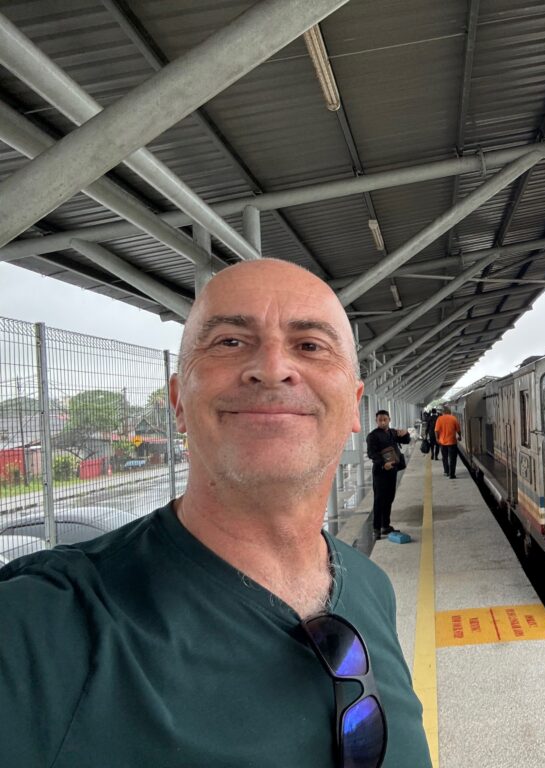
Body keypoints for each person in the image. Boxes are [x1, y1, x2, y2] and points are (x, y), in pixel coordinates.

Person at [0, 259, 430, 768]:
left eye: (310, 345)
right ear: (179, 401)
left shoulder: (371, 588)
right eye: (230, 342)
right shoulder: (40, 628)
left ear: (355, 408)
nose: (272, 368)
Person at [366, 409, 410, 540]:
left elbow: (406, 441)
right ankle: (376, 529)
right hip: (380, 472)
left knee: (389, 497)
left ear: (389, 420)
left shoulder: (393, 432)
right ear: (376, 421)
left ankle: (386, 525)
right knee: (379, 499)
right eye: (380, 420)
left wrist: (405, 433)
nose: (383, 422)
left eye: (385, 419)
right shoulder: (372, 436)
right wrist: (382, 464)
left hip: (392, 470)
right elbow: (371, 454)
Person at [433, 406, 461, 479]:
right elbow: (458, 430)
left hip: (443, 442)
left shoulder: (439, 419)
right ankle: (452, 474)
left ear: (443, 412)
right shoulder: (453, 418)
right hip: (452, 442)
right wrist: (460, 436)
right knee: (452, 459)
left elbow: (436, 430)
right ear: (449, 412)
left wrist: (437, 439)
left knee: (444, 457)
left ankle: (446, 471)